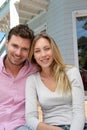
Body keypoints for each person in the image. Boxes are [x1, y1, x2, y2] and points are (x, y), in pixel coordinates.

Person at [25, 33, 86, 130]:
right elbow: (30, 118)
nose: (43, 54)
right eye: (37, 51)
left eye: (47, 49)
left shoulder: (71, 72)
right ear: (34, 56)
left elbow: (79, 113)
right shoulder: (32, 80)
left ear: (54, 50)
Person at [0, 24, 37, 130]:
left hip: (21, 126)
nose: (18, 53)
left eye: (24, 49)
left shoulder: (34, 70)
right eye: (15, 46)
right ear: (7, 43)